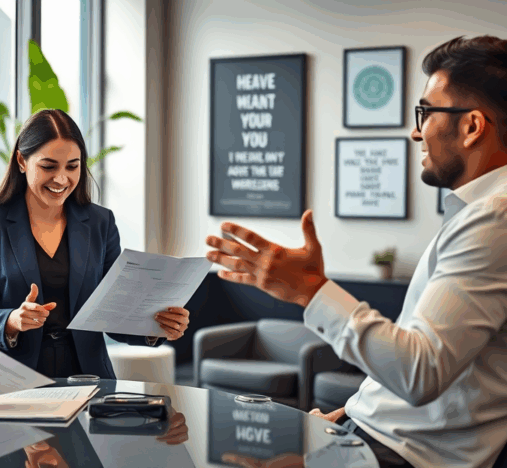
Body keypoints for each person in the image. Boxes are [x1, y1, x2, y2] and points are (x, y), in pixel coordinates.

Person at [205, 35, 507, 468]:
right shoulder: (477, 213)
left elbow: (420, 372)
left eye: (426, 112)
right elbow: (435, 361)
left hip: (401, 455)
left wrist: (311, 290)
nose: (416, 131)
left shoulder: (494, 218)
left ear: (472, 126)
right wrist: (354, 413)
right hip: (372, 434)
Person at [0, 109, 191, 378]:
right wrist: (11, 321)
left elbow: (113, 315)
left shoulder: (100, 223)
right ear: (21, 161)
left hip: (89, 377)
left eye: (72, 166)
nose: (61, 179)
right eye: (48, 166)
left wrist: (157, 327)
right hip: (16, 379)